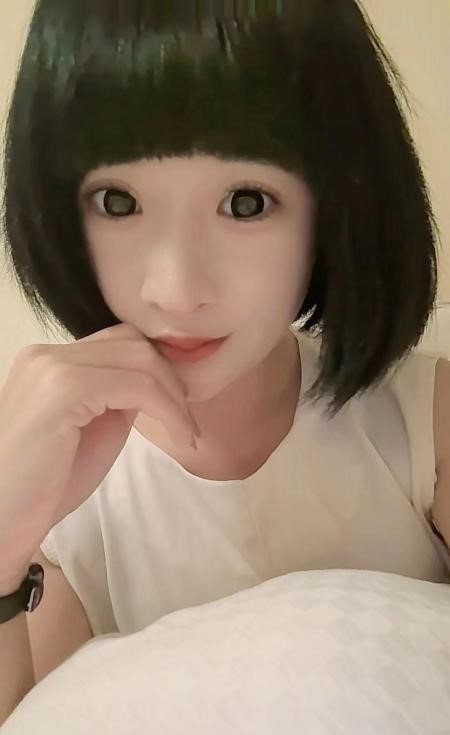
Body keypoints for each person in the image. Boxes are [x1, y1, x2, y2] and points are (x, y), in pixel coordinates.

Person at [0, 0, 449, 722]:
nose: (175, 290)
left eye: (245, 203)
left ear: (336, 203)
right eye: (117, 201)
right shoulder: (67, 508)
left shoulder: (424, 419)